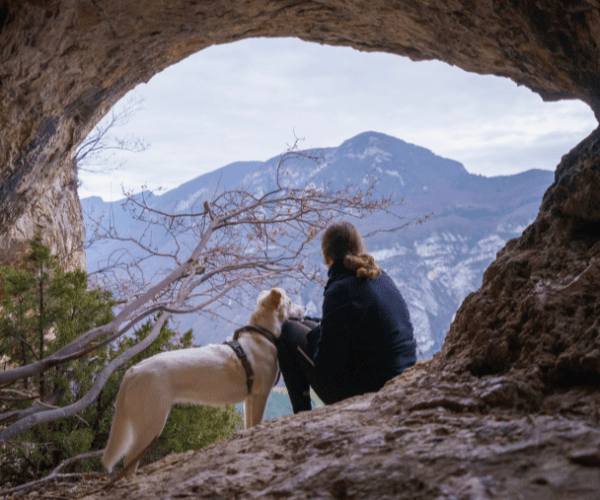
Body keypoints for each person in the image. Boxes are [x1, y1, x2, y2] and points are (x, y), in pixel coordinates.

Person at [276, 220, 417, 413]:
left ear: (326, 256)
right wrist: (317, 328)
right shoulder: (381, 277)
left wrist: (316, 334)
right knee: (304, 323)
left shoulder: (339, 290)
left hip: (370, 392)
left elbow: (327, 365)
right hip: (402, 378)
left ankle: (301, 415)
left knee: (285, 329)